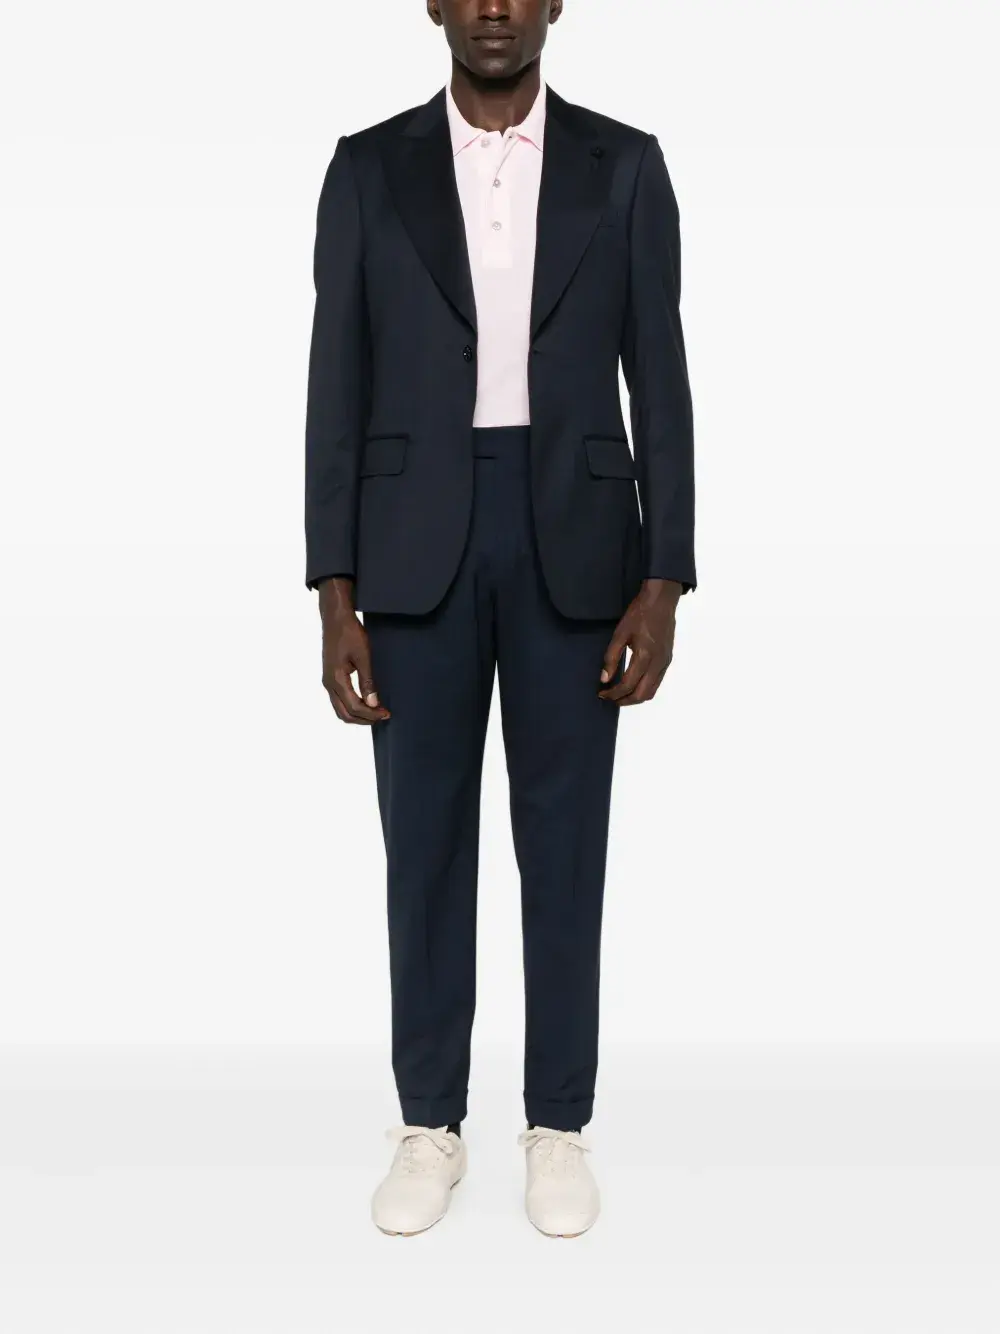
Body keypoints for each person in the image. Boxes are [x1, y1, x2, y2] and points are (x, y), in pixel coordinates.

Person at [304, 0, 695, 1238]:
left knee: (564, 845)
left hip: (576, 544)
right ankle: (429, 1121)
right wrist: (333, 588)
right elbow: (335, 382)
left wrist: (663, 577)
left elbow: (660, 374)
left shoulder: (624, 165)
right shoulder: (367, 168)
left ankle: (557, 1122)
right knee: (421, 845)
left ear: (554, 3)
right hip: (408, 545)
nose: (491, 7)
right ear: (431, 2)